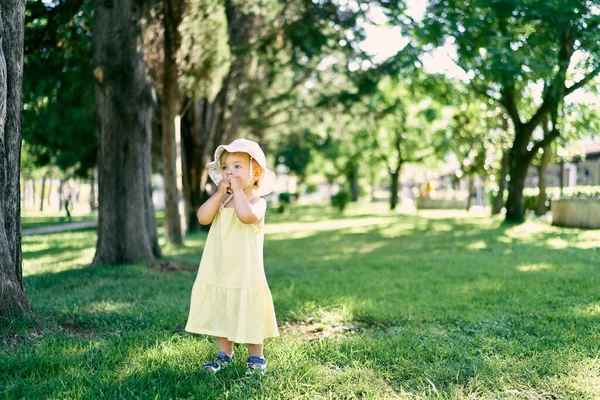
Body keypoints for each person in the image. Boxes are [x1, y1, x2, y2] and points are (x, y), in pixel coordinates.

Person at [185, 138, 279, 374]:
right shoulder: (222, 201)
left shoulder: (257, 203)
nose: (230, 171)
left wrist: (237, 191)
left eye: (238, 166)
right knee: (221, 308)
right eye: (226, 167)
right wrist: (219, 194)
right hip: (220, 268)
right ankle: (224, 352)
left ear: (255, 174)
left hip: (246, 271)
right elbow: (202, 217)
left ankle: (256, 357)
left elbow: (246, 217)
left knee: (249, 309)